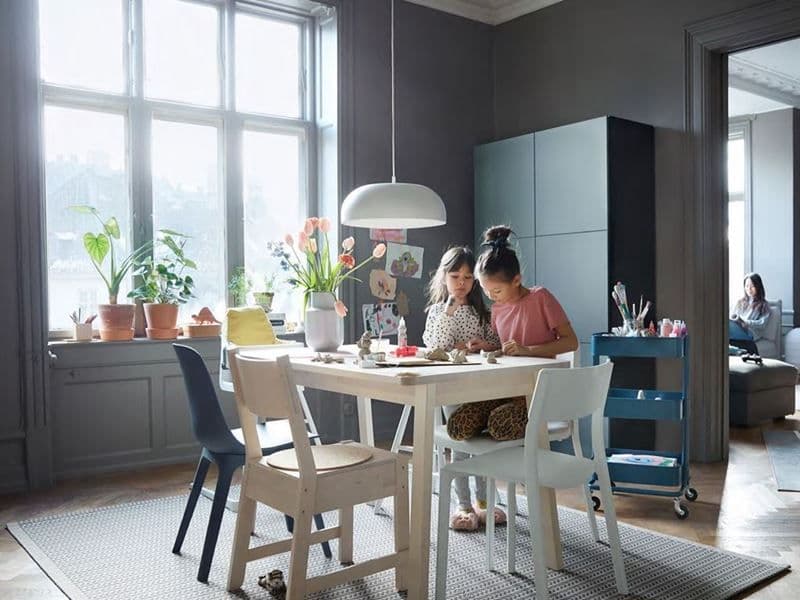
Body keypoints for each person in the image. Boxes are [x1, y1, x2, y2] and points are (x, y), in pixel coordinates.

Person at [446, 225, 578, 445]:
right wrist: (487, 347)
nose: (491, 297)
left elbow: (571, 341)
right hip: (504, 388)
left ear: (516, 280)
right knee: (458, 425)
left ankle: (520, 464)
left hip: (536, 392)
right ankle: (494, 464)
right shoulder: (497, 310)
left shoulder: (540, 298)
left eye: (496, 291)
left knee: (500, 424)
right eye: (486, 291)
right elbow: (506, 349)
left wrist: (529, 351)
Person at [422, 246, 501, 531]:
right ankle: (464, 504)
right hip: (451, 386)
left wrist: (485, 346)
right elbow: (435, 346)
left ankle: (484, 501)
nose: (461, 282)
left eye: (468, 277)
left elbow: (496, 342)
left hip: (479, 385)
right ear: (443, 277)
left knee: (481, 442)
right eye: (455, 276)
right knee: (460, 442)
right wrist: (448, 312)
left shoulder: (483, 311)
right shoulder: (437, 311)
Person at [729, 273, 770, 355]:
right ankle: (734, 350)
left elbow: (762, 324)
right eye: (747, 286)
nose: (749, 289)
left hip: (750, 332)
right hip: (737, 330)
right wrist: (737, 320)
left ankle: (733, 350)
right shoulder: (740, 302)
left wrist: (745, 322)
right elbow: (732, 317)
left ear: (758, 286)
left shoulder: (763, 305)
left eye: (752, 286)